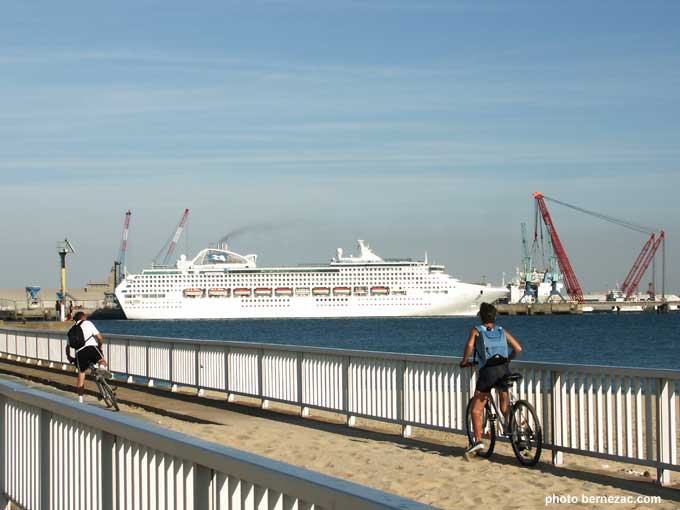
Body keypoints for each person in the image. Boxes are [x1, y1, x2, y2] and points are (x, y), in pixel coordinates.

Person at [460, 302, 522, 458]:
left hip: (488, 373)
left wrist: (464, 361)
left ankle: (478, 441)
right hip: (503, 370)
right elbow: (518, 348)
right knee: (504, 405)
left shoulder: (477, 330)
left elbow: (469, 345)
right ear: (494, 316)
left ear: (480, 316)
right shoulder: (501, 330)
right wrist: (507, 360)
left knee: (475, 409)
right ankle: (516, 432)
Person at [66, 311, 108, 403]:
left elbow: (68, 347)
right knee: (101, 360)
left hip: (80, 353)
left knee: (81, 376)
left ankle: (80, 400)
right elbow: (100, 337)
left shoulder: (71, 331)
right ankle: (101, 368)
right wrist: (100, 346)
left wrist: (69, 357)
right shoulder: (88, 323)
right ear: (83, 317)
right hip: (92, 348)